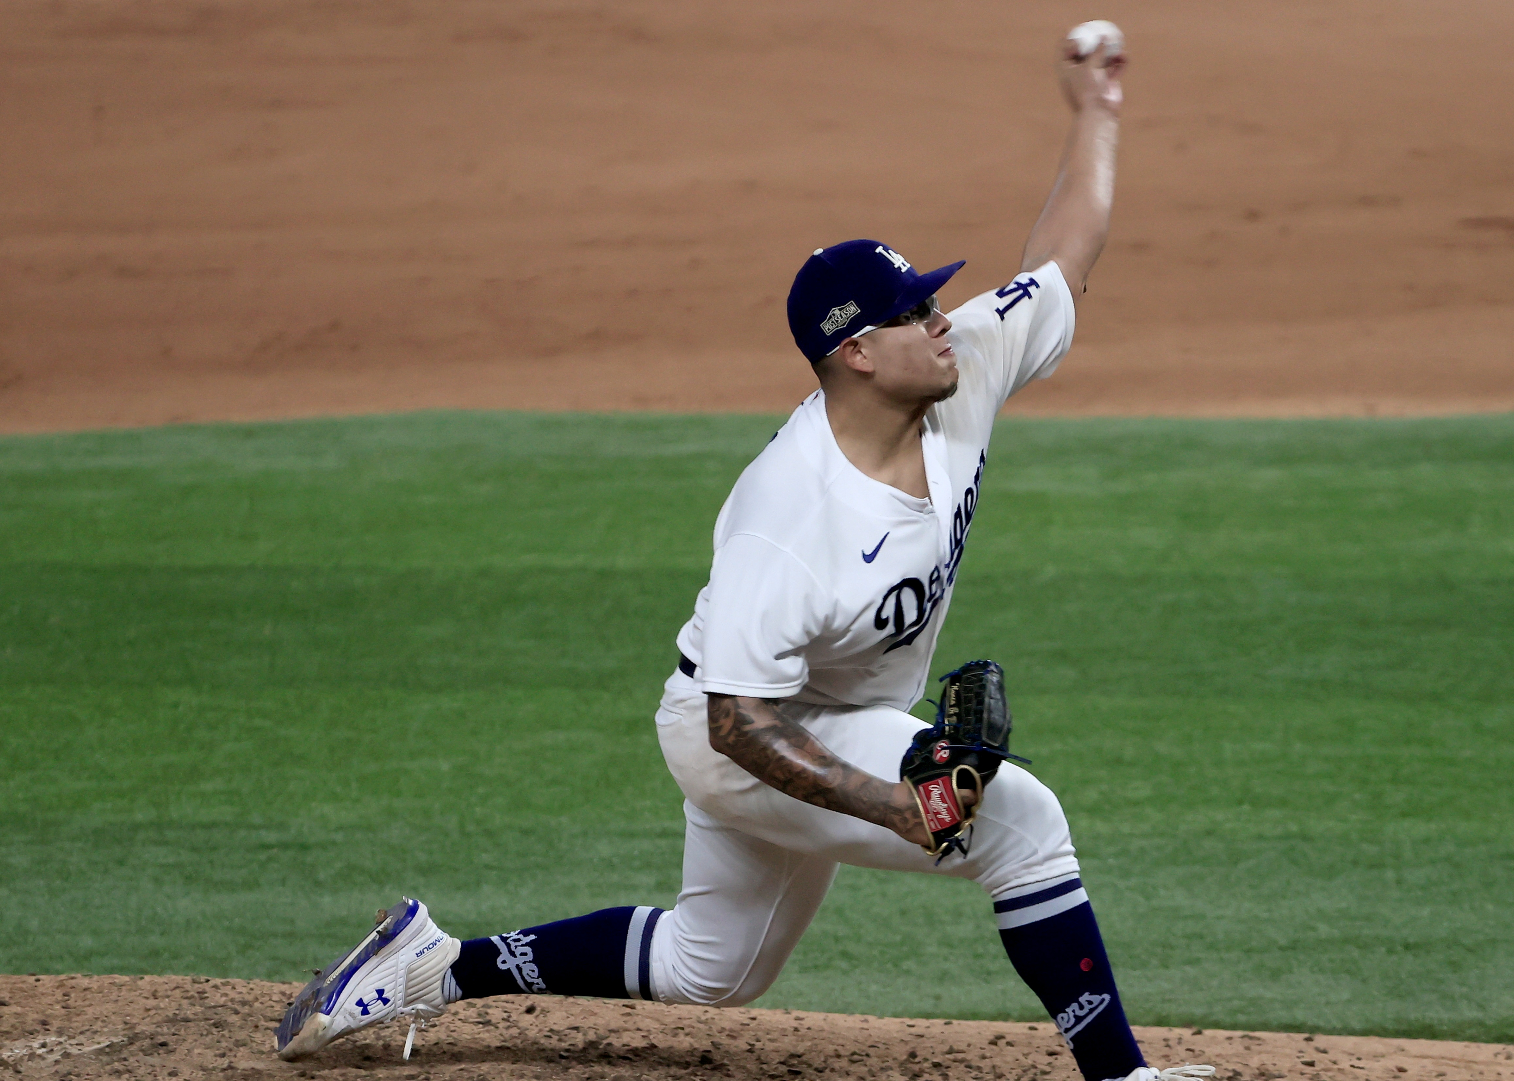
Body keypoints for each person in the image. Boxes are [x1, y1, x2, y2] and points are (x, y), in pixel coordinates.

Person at [276, 25, 1210, 1081]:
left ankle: (432, 964)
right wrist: (896, 803)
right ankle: (1122, 1076)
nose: (943, 318)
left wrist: (1096, 116)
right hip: (737, 728)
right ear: (855, 353)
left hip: (810, 713)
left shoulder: (967, 364)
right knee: (1024, 825)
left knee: (711, 966)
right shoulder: (788, 518)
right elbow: (739, 721)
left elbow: (1064, 257)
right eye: (914, 313)